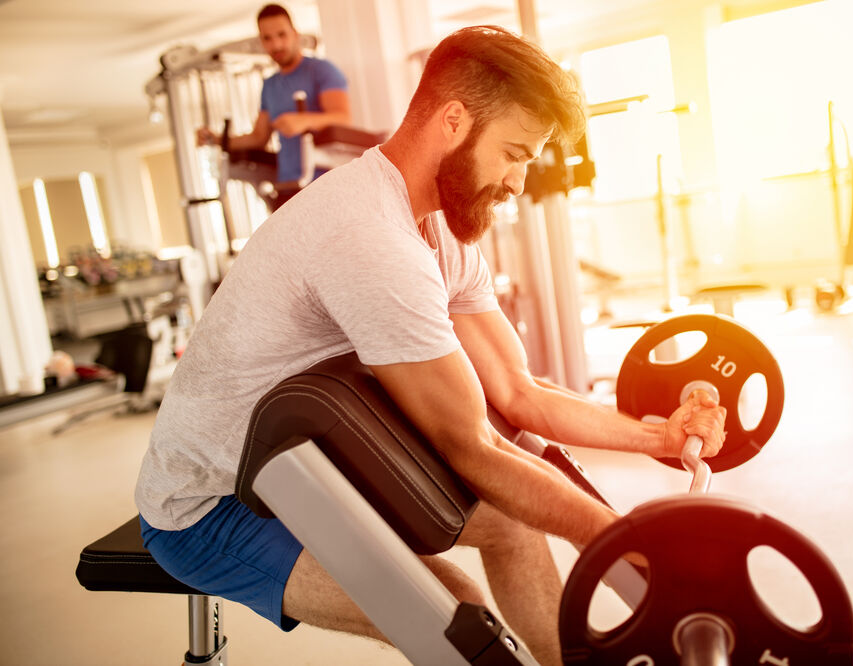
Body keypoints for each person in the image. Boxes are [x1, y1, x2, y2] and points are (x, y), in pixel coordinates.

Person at [136, 25, 726, 666]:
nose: (518, 183)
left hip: (304, 455)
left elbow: (519, 393)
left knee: (516, 522)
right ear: (453, 122)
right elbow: (473, 448)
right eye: (513, 153)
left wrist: (658, 438)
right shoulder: (368, 237)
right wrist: (624, 539)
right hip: (213, 506)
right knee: (453, 619)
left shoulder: (437, 232)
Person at [196, 4, 351, 195]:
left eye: (281, 35)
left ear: (295, 34)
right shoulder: (270, 85)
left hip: (326, 181)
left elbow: (342, 117)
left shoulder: (321, 70)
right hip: (289, 184)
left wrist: (303, 121)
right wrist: (218, 140)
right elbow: (258, 137)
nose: (276, 45)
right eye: (267, 38)